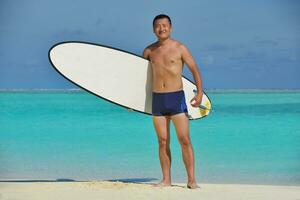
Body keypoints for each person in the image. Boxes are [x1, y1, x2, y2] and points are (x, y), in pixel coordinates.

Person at [143, 14, 203, 189]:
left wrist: (199, 93)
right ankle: (166, 180)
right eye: (158, 26)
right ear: (153, 29)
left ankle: (191, 180)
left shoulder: (180, 48)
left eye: (165, 25)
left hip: (176, 98)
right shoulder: (148, 51)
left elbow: (194, 69)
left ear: (171, 27)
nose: (161, 28)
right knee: (162, 141)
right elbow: (141, 79)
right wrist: (133, 102)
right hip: (157, 100)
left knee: (184, 139)